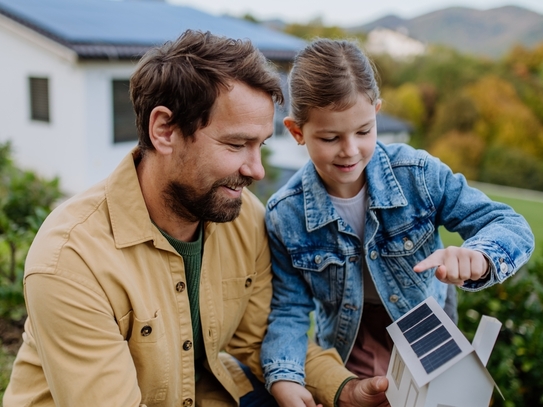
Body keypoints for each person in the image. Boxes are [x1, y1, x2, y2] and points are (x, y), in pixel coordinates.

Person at [3, 30, 389, 407]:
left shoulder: (243, 217)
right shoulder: (71, 261)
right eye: (236, 145)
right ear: (164, 131)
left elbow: (261, 337)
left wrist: (344, 389)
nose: (256, 170)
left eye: (260, 146)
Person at [260, 38, 535, 407]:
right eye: (329, 137)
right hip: (347, 353)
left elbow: (510, 225)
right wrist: (285, 375)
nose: (350, 150)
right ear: (297, 132)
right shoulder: (285, 214)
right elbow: (289, 309)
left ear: (376, 111)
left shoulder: (418, 175)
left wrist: (480, 257)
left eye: (364, 131)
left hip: (430, 344)